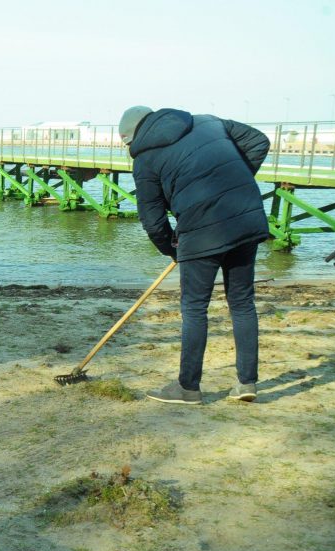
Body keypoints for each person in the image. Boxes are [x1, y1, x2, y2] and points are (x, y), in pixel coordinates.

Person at [120, 105, 270, 405]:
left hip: (201, 233)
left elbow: (152, 220)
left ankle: (188, 388)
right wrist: (231, 184)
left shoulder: (145, 160)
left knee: (194, 308)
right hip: (245, 220)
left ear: (132, 136)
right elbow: (258, 141)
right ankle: (246, 383)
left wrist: (170, 249)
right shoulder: (209, 122)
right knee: (241, 303)